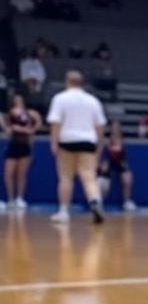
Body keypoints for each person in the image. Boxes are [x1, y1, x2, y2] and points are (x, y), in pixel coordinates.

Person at [47, 70, 106, 224]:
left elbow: (56, 123)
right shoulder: (93, 101)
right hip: (88, 141)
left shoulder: (59, 98)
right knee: (89, 177)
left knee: (65, 177)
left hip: (67, 141)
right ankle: (95, 202)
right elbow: (99, 126)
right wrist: (99, 146)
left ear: (67, 82)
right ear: (82, 83)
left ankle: (63, 212)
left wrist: (54, 142)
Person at [2, 93, 42, 211]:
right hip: (13, 145)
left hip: (25, 145)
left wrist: (30, 129)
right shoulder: (10, 114)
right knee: (9, 174)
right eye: (16, 100)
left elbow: (36, 125)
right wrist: (7, 126)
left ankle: (20, 198)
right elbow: (9, 130)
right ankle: (10, 199)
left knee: (21, 174)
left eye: (20, 100)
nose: (18, 101)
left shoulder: (29, 114)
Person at [98, 121, 136, 211]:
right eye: (113, 127)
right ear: (111, 129)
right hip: (109, 163)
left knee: (128, 178)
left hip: (120, 163)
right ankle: (99, 202)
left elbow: (123, 156)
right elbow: (101, 153)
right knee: (103, 183)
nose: (115, 129)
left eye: (117, 127)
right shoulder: (106, 140)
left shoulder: (123, 140)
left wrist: (124, 164)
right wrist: (101, 163)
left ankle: (127, 202)